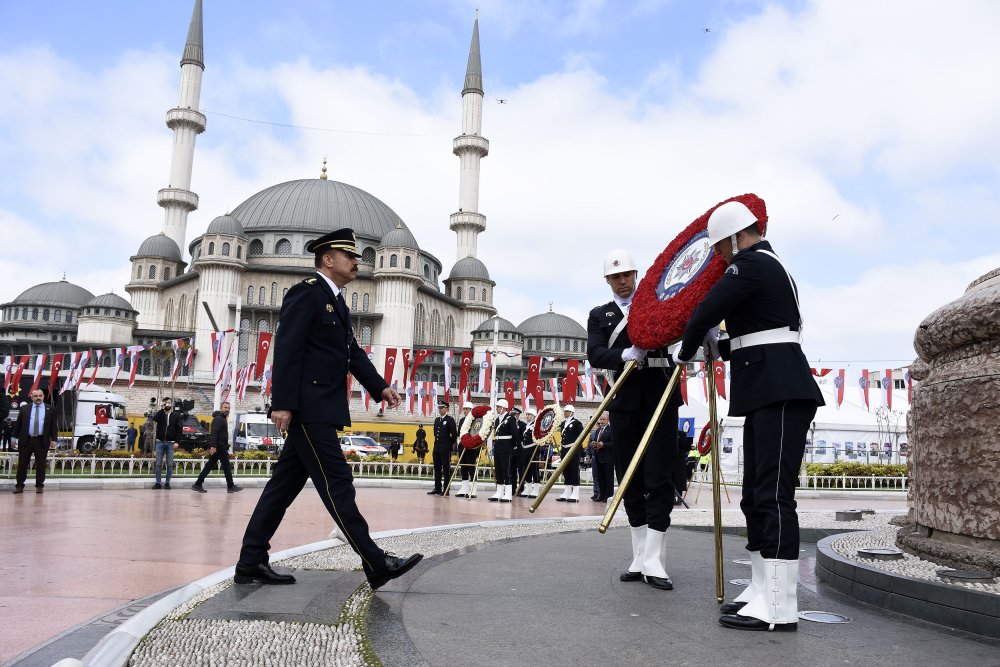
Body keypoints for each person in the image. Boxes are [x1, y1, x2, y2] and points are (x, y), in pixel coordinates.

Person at [235, 227, 422, 590]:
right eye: (349, 255)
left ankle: (250, 560)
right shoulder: (306, 295)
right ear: (327, 259)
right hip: (308, 409)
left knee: (281, 489)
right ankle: (375, 560)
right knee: (338, 484)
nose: (356, 261)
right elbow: (287, 349)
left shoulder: (336, 301)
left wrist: (380, 387)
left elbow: (352, 353)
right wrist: (284, 404)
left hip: (319, 407)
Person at [673, 200, 824, 631]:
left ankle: (779, 607)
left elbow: (706, 310)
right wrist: (713, 348)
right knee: (756, 495)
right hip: (766, 388)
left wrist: (684, 350)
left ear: (739, 236)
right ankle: (761, 590)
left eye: (722, 248)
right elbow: (748, 335)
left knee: (773, 495)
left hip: (779, 390)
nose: (720, 258)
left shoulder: (753, 263)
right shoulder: (763, 268)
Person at [587, 249, 684, 591]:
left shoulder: (658, 303)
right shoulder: (601, 314)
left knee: (659, 477)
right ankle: (639, 555)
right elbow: (595, 352)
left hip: (660, 393)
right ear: (607, 281)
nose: (623, 281)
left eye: (627, 274)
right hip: (625, 399)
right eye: (616, 276)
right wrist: (624, 354)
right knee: (628, 478)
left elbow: (681, 326)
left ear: (636, 274)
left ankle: (655, 558)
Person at [12, 389, 58, 494]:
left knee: (41, 464)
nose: (38, 398)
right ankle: (19, 486)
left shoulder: (50, 409)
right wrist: (13, 437)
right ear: (32, 397)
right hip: (26, 440)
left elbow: (53, 426)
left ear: (43, 396)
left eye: (40, 395)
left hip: (41, 440)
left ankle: (39, 486)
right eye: (36, 396)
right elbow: (18, 424)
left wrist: (54, 439)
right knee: (22, 464)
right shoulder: (24, 409)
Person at [191, 401, 242, 493]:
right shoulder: (219, 419)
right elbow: (214, 433)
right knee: (226, 465)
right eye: (225, 408)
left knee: (209, 465)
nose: (227, 410)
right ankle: (230, 486)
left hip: (220, 446)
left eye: (228, 408)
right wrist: (213, 446)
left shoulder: (222, 418)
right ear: (221, 408)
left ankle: (197, 484)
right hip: (219, 446)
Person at [490, 399, 517, 502]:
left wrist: (513, 447)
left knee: (506, 470)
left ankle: (508, 493)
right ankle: (499, 492)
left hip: (506, 447)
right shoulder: (497, 420)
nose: (496, 409)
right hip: (498, 447)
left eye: (498, 407)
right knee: (498, 470)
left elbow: (514, 435)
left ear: (504, 407)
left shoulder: (510, 419)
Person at [151, 397, 181, 489]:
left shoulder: (176, 415)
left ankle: (167, 483)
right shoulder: (160, 415)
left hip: (171, 443)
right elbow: (154, 419)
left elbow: (179, 429)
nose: (167, 404)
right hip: (160, 442)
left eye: (169, 403)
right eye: (166, 403)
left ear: (171, 404)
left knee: (169, 464)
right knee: (158, 463)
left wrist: (177, 442)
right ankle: (158, 483)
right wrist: (161, 409)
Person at [429, 401, 457, 495]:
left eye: (442, 408)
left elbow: (454, 435)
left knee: (446, 469)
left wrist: (449, 444)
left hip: (445, 448)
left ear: (446, 409)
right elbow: (435, 433)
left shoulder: (450, 420)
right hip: (437, 448)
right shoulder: (437, 420)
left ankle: (446, 490)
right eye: (439, 408)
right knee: (437, 468)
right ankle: (437, 488)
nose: (440, 409)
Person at [556, 405, 583, 502]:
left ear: (572, 412)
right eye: (565, 411)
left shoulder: (577, 423)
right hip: (564, 449)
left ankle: (575, 493)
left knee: (574, 470)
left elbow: (582, 436)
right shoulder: (563, 423)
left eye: (567, 411)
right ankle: (567, 492)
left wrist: (579, 450)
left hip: (573, 450)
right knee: (566, 471)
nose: (565, 413)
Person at [453, 402, 478, 498]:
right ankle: (464, 488)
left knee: (471, 468)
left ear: (471, 410)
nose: (465, 411)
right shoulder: (462, 420)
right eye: (464, 409)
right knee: (463, 468)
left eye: (467, 409)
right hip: (462, 446)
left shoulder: (476, 421)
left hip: (471, 447)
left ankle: (473, 489)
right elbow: (460, 433)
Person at [590, 414, 614, 502]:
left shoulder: (611, 430)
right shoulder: (598, 430)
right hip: (598, 457)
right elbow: (596, 441)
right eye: (601, 419)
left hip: (608, 458)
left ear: (608, 420)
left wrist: (603, 445)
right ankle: (601, 495)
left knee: (608, 478)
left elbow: (614, 443)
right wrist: (593, 444)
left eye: (604, 419)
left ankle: (608, 496)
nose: (602, 421)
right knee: (600, 477)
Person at [509, 406, 526, 496]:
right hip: (511, 450)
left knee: (521, 470)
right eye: (512, 415)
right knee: (512, 470)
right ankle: (512, 488)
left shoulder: (522, 425)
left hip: (520, 450)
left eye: (515, 415)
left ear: (518, 415)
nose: (514, 416)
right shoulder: (509, 424)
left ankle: (521, 489)